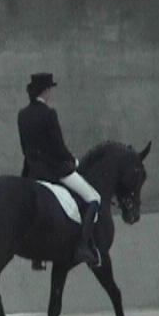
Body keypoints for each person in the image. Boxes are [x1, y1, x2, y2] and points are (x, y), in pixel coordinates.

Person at [17, 72, 101, 268]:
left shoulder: (22, 114)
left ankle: (37, 256)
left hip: (31, 171)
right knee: (93, 198)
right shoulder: (49, 114)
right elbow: (59, 147)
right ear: (46, 91)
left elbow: (24, 148)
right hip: (53, 170)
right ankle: (83, 246)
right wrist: (73, 161)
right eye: (50, 90)